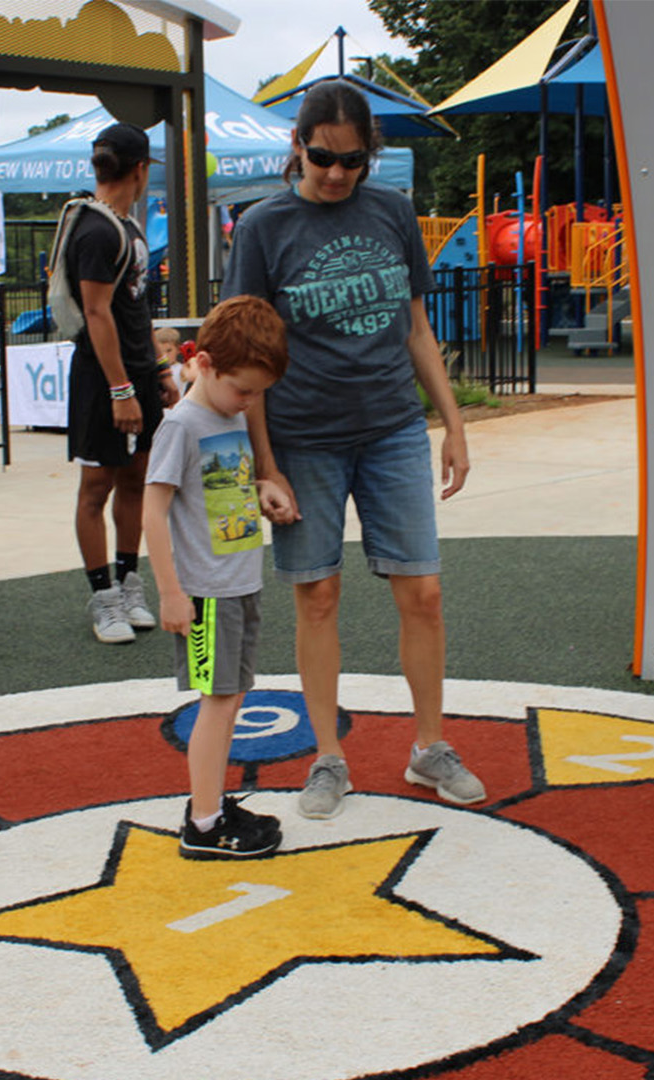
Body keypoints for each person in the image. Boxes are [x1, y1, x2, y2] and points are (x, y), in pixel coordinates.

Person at [221, 81, 481, 820]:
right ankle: (327, 758)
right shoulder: (264, 228)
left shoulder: (393, 210)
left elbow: (416, 328)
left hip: (393, 425)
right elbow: (250, 356)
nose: (337, 173)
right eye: (324, 157)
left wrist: (453, 425)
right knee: (318, 594)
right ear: (297, 147)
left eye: (354, 159)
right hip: (303, 438)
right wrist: (264, 463)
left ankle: (429, 747)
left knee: (423, 593)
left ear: (372, 154)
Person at [142, 295, 291, 859]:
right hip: (205, 592)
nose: (250, 403)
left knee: (230, 697)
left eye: (258, 394)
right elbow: (153, 511)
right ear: (203, 364)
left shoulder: (224, 414)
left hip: (236, 582)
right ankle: (203, 824)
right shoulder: (181, 426)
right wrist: (171, 593)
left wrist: (262, 493)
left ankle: (211, 802)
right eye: (243, 390)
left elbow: (219, 491)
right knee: (219, 701)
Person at [61, 123, 181, 644]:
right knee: (96, 487)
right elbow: (95, 312)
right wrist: (119, 389)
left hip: (135, 373)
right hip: (101, 378)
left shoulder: (125, 226)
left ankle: (130, 584)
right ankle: (103, 597)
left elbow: (133, 313)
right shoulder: (95, 228)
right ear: (141, 168)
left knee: (137, 479)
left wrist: (156, 372)